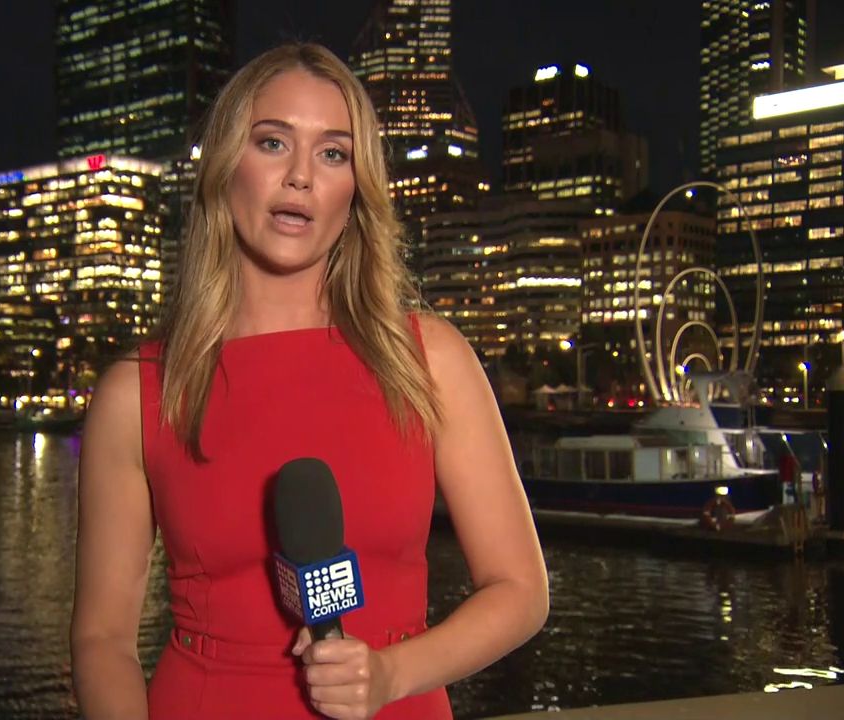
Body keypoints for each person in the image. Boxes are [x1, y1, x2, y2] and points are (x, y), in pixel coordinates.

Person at [71, 42, 548, 720]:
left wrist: (390, 674)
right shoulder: (140, 391)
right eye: (272, 143)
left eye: (333, 154)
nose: (300, 176)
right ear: (224, 165)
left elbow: (520, 590)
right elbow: (103, 640)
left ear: (357, 190)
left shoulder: (428, 359)